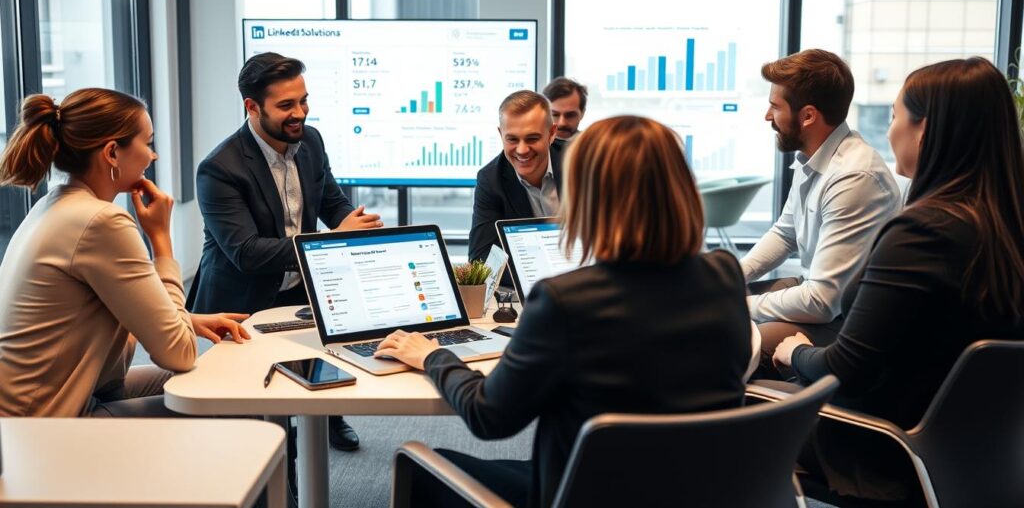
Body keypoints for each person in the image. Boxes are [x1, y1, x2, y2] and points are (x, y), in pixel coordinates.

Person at [377, 116, 753, 508]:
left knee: (420, 468)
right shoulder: (724, 274)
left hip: (585, 492)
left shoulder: (565, 301)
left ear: (590, 198)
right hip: (697, 490)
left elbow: (489, 416)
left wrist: (434, 355)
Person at [773, 57, 1024, 504]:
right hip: (975, 453)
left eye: (894, 116)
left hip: (883, 444)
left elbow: (843, 369)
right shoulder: (1006, 228)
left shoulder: (923, 233)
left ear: (924, 131)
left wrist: (796, 353)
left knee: (728, 409)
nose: (888, 132)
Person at [0, 88, 249, 418]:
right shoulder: (100, 222)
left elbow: (90, 314)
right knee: (225, 403)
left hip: (39, 407)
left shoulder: (55, 204)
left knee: (213, 382)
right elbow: (180, 352)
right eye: (147, 143)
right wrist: (161, 238)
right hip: (45, 425)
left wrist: (183, 319)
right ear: (112, 153)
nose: (153, 156)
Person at [190, 52, 381, 450]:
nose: (300, 113)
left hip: (300, 281)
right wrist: (328, 243)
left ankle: (326, 419)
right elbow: (246, 252)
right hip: (243, 298)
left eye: (304, 100)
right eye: (286, 105)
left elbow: (332, 202)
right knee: (258, 412)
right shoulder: (220, 168)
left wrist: (354, 224)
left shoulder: (309, 141)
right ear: (252, 106)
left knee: (324, 354)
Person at [742, 49, 901, 367]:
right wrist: (728, 280)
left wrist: (734, 305)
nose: (767, 116)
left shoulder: (854, 177)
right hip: (817, 292)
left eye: (775, 106)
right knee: (705, 306)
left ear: (808, 116)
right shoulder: (814, 156)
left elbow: (822, 302)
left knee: (734, 346)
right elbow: (785, 233)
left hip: (843, 320)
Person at [467, 90, 566, 266]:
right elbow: (480, 258)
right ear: (501, 134)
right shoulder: (490, 180)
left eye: (532, 138)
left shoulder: (582, 163)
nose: (522, 150)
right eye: (512, 139)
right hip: (533, 287)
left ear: (551, 134)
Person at [543, 76, 588, 142]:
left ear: (582, 113)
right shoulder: (531, 148)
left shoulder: (593, 147)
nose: (562, 123)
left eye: (570, 115)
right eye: (554, 115)